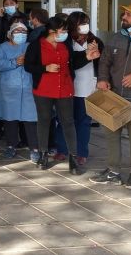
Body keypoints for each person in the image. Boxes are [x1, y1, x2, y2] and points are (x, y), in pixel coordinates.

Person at [91, 3, 131, 190]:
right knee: (111, 134)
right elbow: (105, 61)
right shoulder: (116, 38)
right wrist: (102, 79)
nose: (124, 17)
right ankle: (113, 171)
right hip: (114, 96)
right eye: (124, 14)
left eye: (129, 14)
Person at [24, 16, 92, 175]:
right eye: (63, 30)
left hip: (65, 89)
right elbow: (28, 66)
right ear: (51, 31)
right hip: (43, 89)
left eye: (66, 30)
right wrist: (45, 68)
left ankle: (73, 158)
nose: (65, 33)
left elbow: (73, 62)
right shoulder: (36, 45)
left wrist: (87, 57)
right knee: (44, 121)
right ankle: (43, 154)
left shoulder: (65, 45)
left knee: (68, 122)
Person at [54, 11, 102, 165]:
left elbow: (103, 64)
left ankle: (81, 152)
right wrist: (86, 56)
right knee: (65, 120)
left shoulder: (95, 41)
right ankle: (62, 149)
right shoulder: (65, 41)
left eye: (86, 22)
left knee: (83, 121)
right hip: (68, 87)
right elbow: (68, 62)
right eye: (81, 23)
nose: (84, 26)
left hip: (88, 88)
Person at [0, 22, 39, 162]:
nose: (20, 34)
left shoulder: (30, 47)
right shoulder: (3, 47)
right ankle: (11, 146)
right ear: (10, 34)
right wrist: (14, 62)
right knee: (10, 119)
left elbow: (37, 63)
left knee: (30, 119)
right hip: (8, 89)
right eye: (17, 32)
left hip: (28, 88)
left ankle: (34, 149)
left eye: (23, 32)